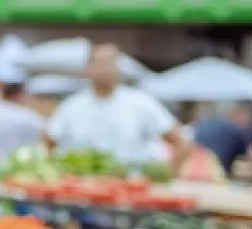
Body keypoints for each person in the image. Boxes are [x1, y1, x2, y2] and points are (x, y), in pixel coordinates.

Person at [44, 43, 189, 168]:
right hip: (84, 187)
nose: (105, 70)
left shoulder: (141, 103)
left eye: (110, 64)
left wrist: (169, 173)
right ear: (88, 69)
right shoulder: (72, 106)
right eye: (100, 64)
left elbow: (181, 142)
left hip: (133, 187)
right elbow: (47, 142)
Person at [192, 103, 252, 177]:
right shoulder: (236, 130)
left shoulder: (205, 124)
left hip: (193, 169)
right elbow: (251, 156)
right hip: (216, 172)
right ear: (238, 115)